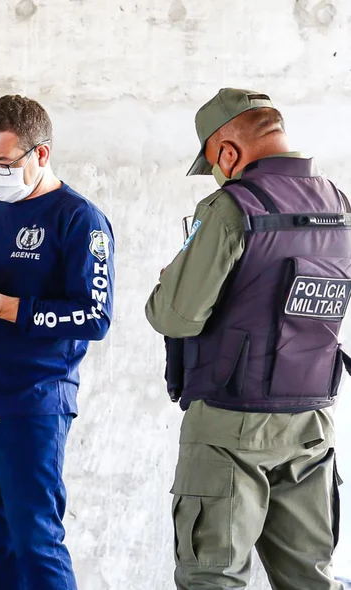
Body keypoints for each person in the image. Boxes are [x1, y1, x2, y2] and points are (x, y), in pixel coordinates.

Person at [146, 88, 349, 590]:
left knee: (213, 578)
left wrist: (170, 279)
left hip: (229, 423)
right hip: (310, 424)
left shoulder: (231, 206)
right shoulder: (341, 203)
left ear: (228, 153)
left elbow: (174, 315)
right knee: (310, 579)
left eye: (214, 162)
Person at [0, 95, 115, 590]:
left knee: (37, 542)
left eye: (4, 163)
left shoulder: (79, 220)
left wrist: (7, 306)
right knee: (2, 544)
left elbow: (94, 316)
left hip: (31, 404)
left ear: (41, 153)